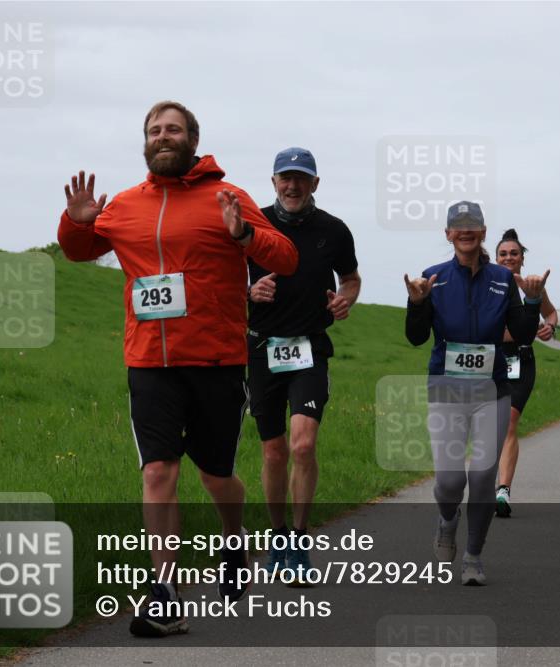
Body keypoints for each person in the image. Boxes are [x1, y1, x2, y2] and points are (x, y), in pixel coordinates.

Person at [58, 101, 299, 637]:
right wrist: (75, 224)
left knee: (216, 476)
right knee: (158, 471)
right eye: (153, 131)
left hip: (215, 359)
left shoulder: (227, 197)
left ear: (193, 139)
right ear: (145, 142)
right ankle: (164, 591)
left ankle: (234, 543)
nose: (162, 137)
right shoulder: (123, 204)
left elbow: (284, 257)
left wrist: (244, 238)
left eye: (173, 130)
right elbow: (79, 251)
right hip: (150, 361)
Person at [404, 201, 547, 585]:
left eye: (473, 226)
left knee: (483, 476)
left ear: (483, 232)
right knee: (450, 481)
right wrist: (416, 304)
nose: (466, 232)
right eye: (458, 226)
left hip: (492, 390)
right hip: (446, 389)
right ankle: (448, 520)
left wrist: (532, 300)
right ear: (448, 234)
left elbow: (521, 333)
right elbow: (416, 338)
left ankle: (473, 555)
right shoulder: (432, 277)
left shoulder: (502, 278)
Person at [246, 148, 361, 585]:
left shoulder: (333, 230)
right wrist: (248, 292)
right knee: (273, 452)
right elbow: (223, 279)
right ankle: (277, 538)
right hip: (261, 349)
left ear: (315, 183)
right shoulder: (251, 226)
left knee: (302, 446)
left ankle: (298, 540)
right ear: (273, 181)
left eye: (301, 178)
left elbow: (350, 278)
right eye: (284, 178)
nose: (292, 186)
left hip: (310, 348)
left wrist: (346, 297)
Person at [493, 229, 558, 518]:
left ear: (522, 258)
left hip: (520, 361)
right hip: (488, 359)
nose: (508, 257)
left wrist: (550, 327)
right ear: (495, 258)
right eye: (503, 253)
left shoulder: (532, 286)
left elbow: (551, 314)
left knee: (508, 423)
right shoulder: (487, 284)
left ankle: (503, 490)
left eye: (514, 253)